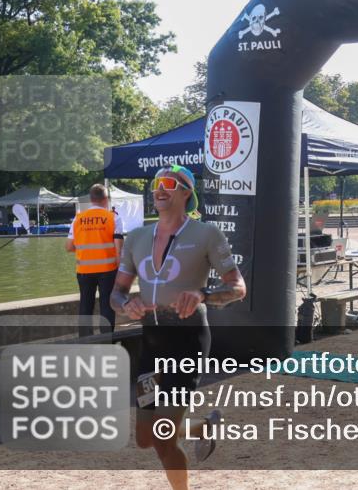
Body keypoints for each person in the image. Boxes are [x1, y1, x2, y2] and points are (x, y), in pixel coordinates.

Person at [111, 164, 246, 486]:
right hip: (151, 342)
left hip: (187, 341)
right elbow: (116, 293)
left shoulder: (206, 234)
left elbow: (238, 288)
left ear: (186, 192)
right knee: (145, 436)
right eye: (157, 183)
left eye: (170, 183)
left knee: (162, 437)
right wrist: (127, 304)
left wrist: (202, 294)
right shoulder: (136, 237)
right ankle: (202, 426)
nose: (160, 188)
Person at [65, 184, 124, 335]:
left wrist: (86, 248)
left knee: (85, 305)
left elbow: (69, 247)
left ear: (91, 199)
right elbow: (119, 249)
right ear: (106, 199)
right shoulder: (113, 217)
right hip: (108, 270)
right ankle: (107, 340)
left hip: (84, 270)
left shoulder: (78, 218)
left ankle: (85, 341)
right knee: (107, 306)